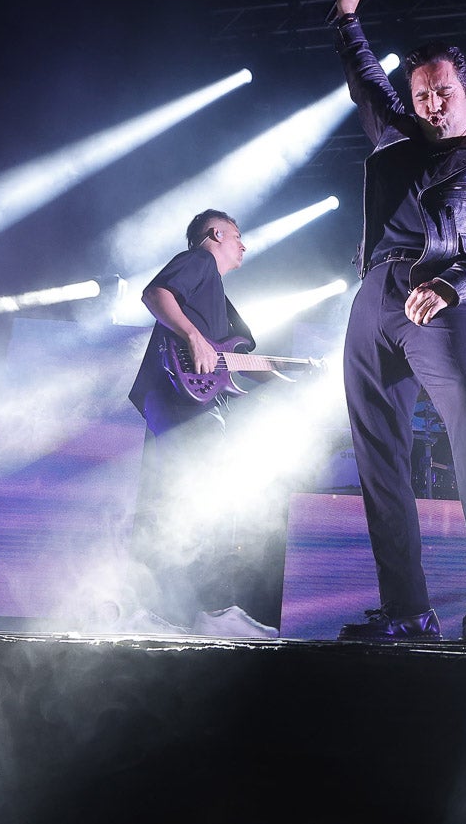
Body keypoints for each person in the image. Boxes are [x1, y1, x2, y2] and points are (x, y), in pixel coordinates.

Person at [328, 0, 466, 642]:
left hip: (442, 297)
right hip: (372, 299)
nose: (430, 104)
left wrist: (454, 284)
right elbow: (366, 77)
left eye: (442, 91)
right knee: (377, 454)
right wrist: (347, 20)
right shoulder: (395, 137)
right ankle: (405, 607)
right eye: (420, 94)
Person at [127, 208, 271, 635]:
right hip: (180, 400)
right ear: (215, 233)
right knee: (206, 495)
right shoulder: (200, 261)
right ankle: (201, 611)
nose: (243, 245)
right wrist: (192, 336)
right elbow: (155, 294)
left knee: (189, 496)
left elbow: (231, 356)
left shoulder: (215, 294)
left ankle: (182, 610)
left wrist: (291, 371)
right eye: (238, 236)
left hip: (187, 402)